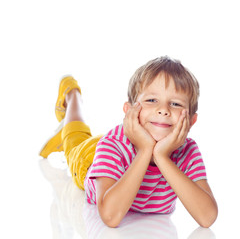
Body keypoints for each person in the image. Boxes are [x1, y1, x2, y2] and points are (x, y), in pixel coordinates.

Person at [40, 56, 218, 228]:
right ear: (129, 111)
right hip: (90, 156)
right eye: (151, 100)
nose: (163, 110)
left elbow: (207, 217)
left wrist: (161, 157)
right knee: (75, 136)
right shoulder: (111, 146)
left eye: (176, 104)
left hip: (126, 144)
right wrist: (144, 151)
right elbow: (110, 216)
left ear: (191, 121)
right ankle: (72, 96)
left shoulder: (188, 150)